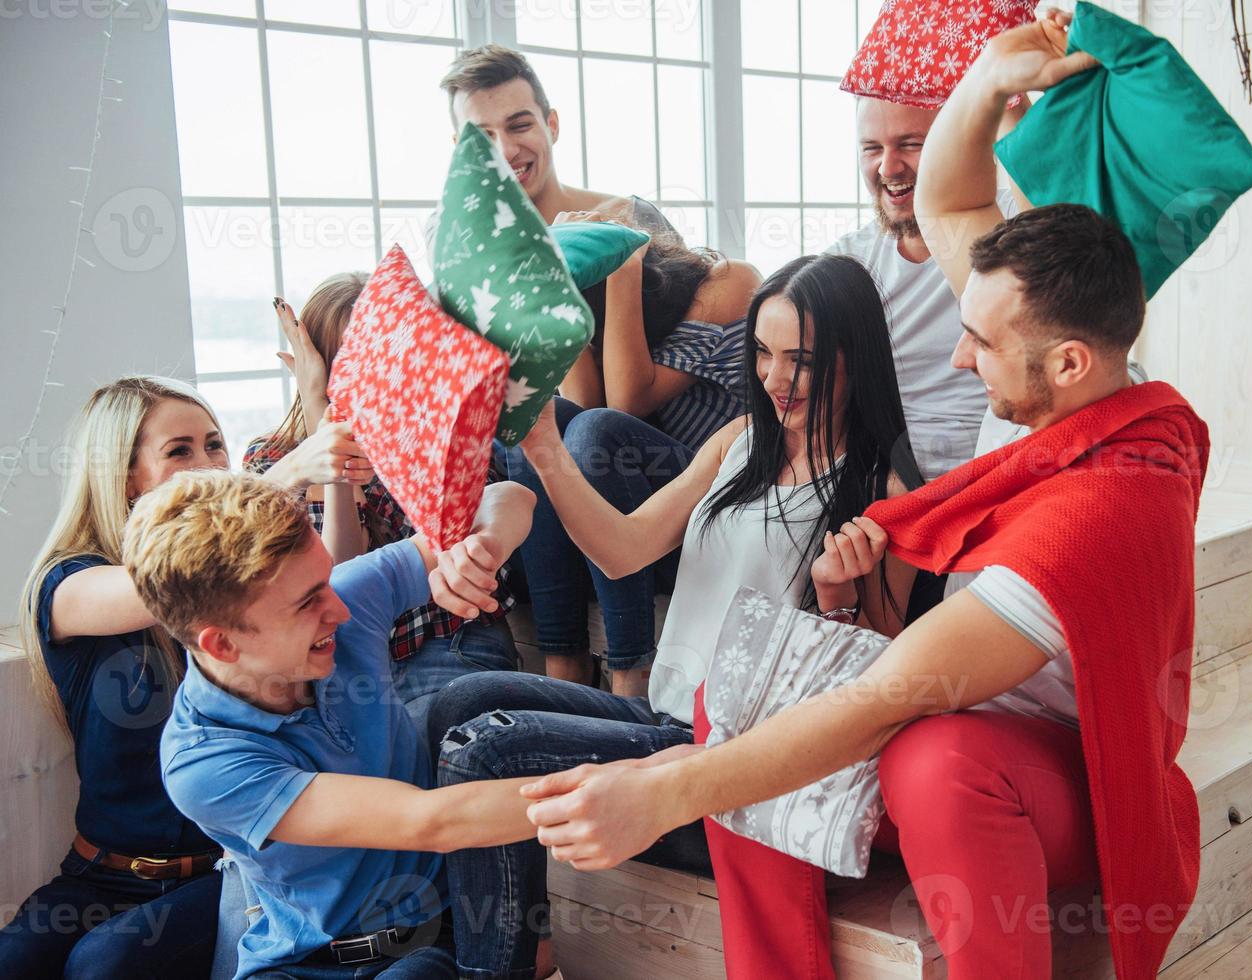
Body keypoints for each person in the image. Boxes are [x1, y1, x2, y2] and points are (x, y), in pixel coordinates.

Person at [518, 13, 1207, 980]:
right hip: (951, 725)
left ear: (1066, 359)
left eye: (980, 343)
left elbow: (887, 692)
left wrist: (664, 792)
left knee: (938, 760)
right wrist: (984, 84)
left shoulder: (1102, 509)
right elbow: (952, 198)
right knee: (739, 696)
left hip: (1054, 784)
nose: (961, 358)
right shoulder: (1050, 383)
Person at [427, 252, 924, 980]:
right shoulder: (738, 444)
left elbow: (877, 681)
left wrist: (835, 596)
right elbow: (624, 551)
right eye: (761, 352)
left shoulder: (884, 488)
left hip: (732, 768)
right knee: (459, 701)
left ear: (856, 357)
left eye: (801, 360)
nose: (774, 378)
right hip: (662, 719)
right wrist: (543, 447)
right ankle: (518, 943)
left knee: (486, 749)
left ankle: (491, 971)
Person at [0, 376, 361, 978]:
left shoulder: (244, 580)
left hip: (229, 873)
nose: (210, 464)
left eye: (215, 445)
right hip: (98, 876)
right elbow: (160, 585)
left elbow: (338, 583)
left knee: (103, 967)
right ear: (123, 478)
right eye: (180, 451)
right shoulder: (67, 584)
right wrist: (275, 477)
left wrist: (327, 472)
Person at [126, 469, 552, 979]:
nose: (340, 608)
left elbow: (510, 495)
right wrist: (632, 788)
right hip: (305, 965)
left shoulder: (345, 602)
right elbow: (429, 822)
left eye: (325, 581)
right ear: (222, 644)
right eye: (308, 603)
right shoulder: (201, 762)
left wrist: (479, 550)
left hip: (428, 944)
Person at [245, 276, 517, 737]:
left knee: (434, 741)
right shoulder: (271, 461)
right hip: (341, 659)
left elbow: (370, 574)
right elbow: (337, 579)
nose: (375, 377)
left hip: (446, 641)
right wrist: (322, 427)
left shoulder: (445, 435)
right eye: (349, 363)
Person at [502, 215, 760, 698]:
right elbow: (577, 419)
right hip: (638, 522)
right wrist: (559, 301)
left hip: (717, 508)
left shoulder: (727, 282)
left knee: (598, 429)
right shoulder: (595, 321)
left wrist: (623, 263)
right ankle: (565, 657)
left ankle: (630, 674)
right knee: (547, 416)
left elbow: (620, 409)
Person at [825, 96, 1021, 480]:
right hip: (886, 482)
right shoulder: (847, 262)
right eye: (871, 148)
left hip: (1004, 472)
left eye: (911, 144)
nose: (888, 166)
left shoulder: (1010, 219)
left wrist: (1003, 91)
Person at [440, 44, 674, 237]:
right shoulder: (461, 248)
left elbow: (707, 290)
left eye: (520, 126)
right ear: (460, 150)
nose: (505, 151)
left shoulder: (631, 217)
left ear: (552, 125)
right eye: (481, 138)